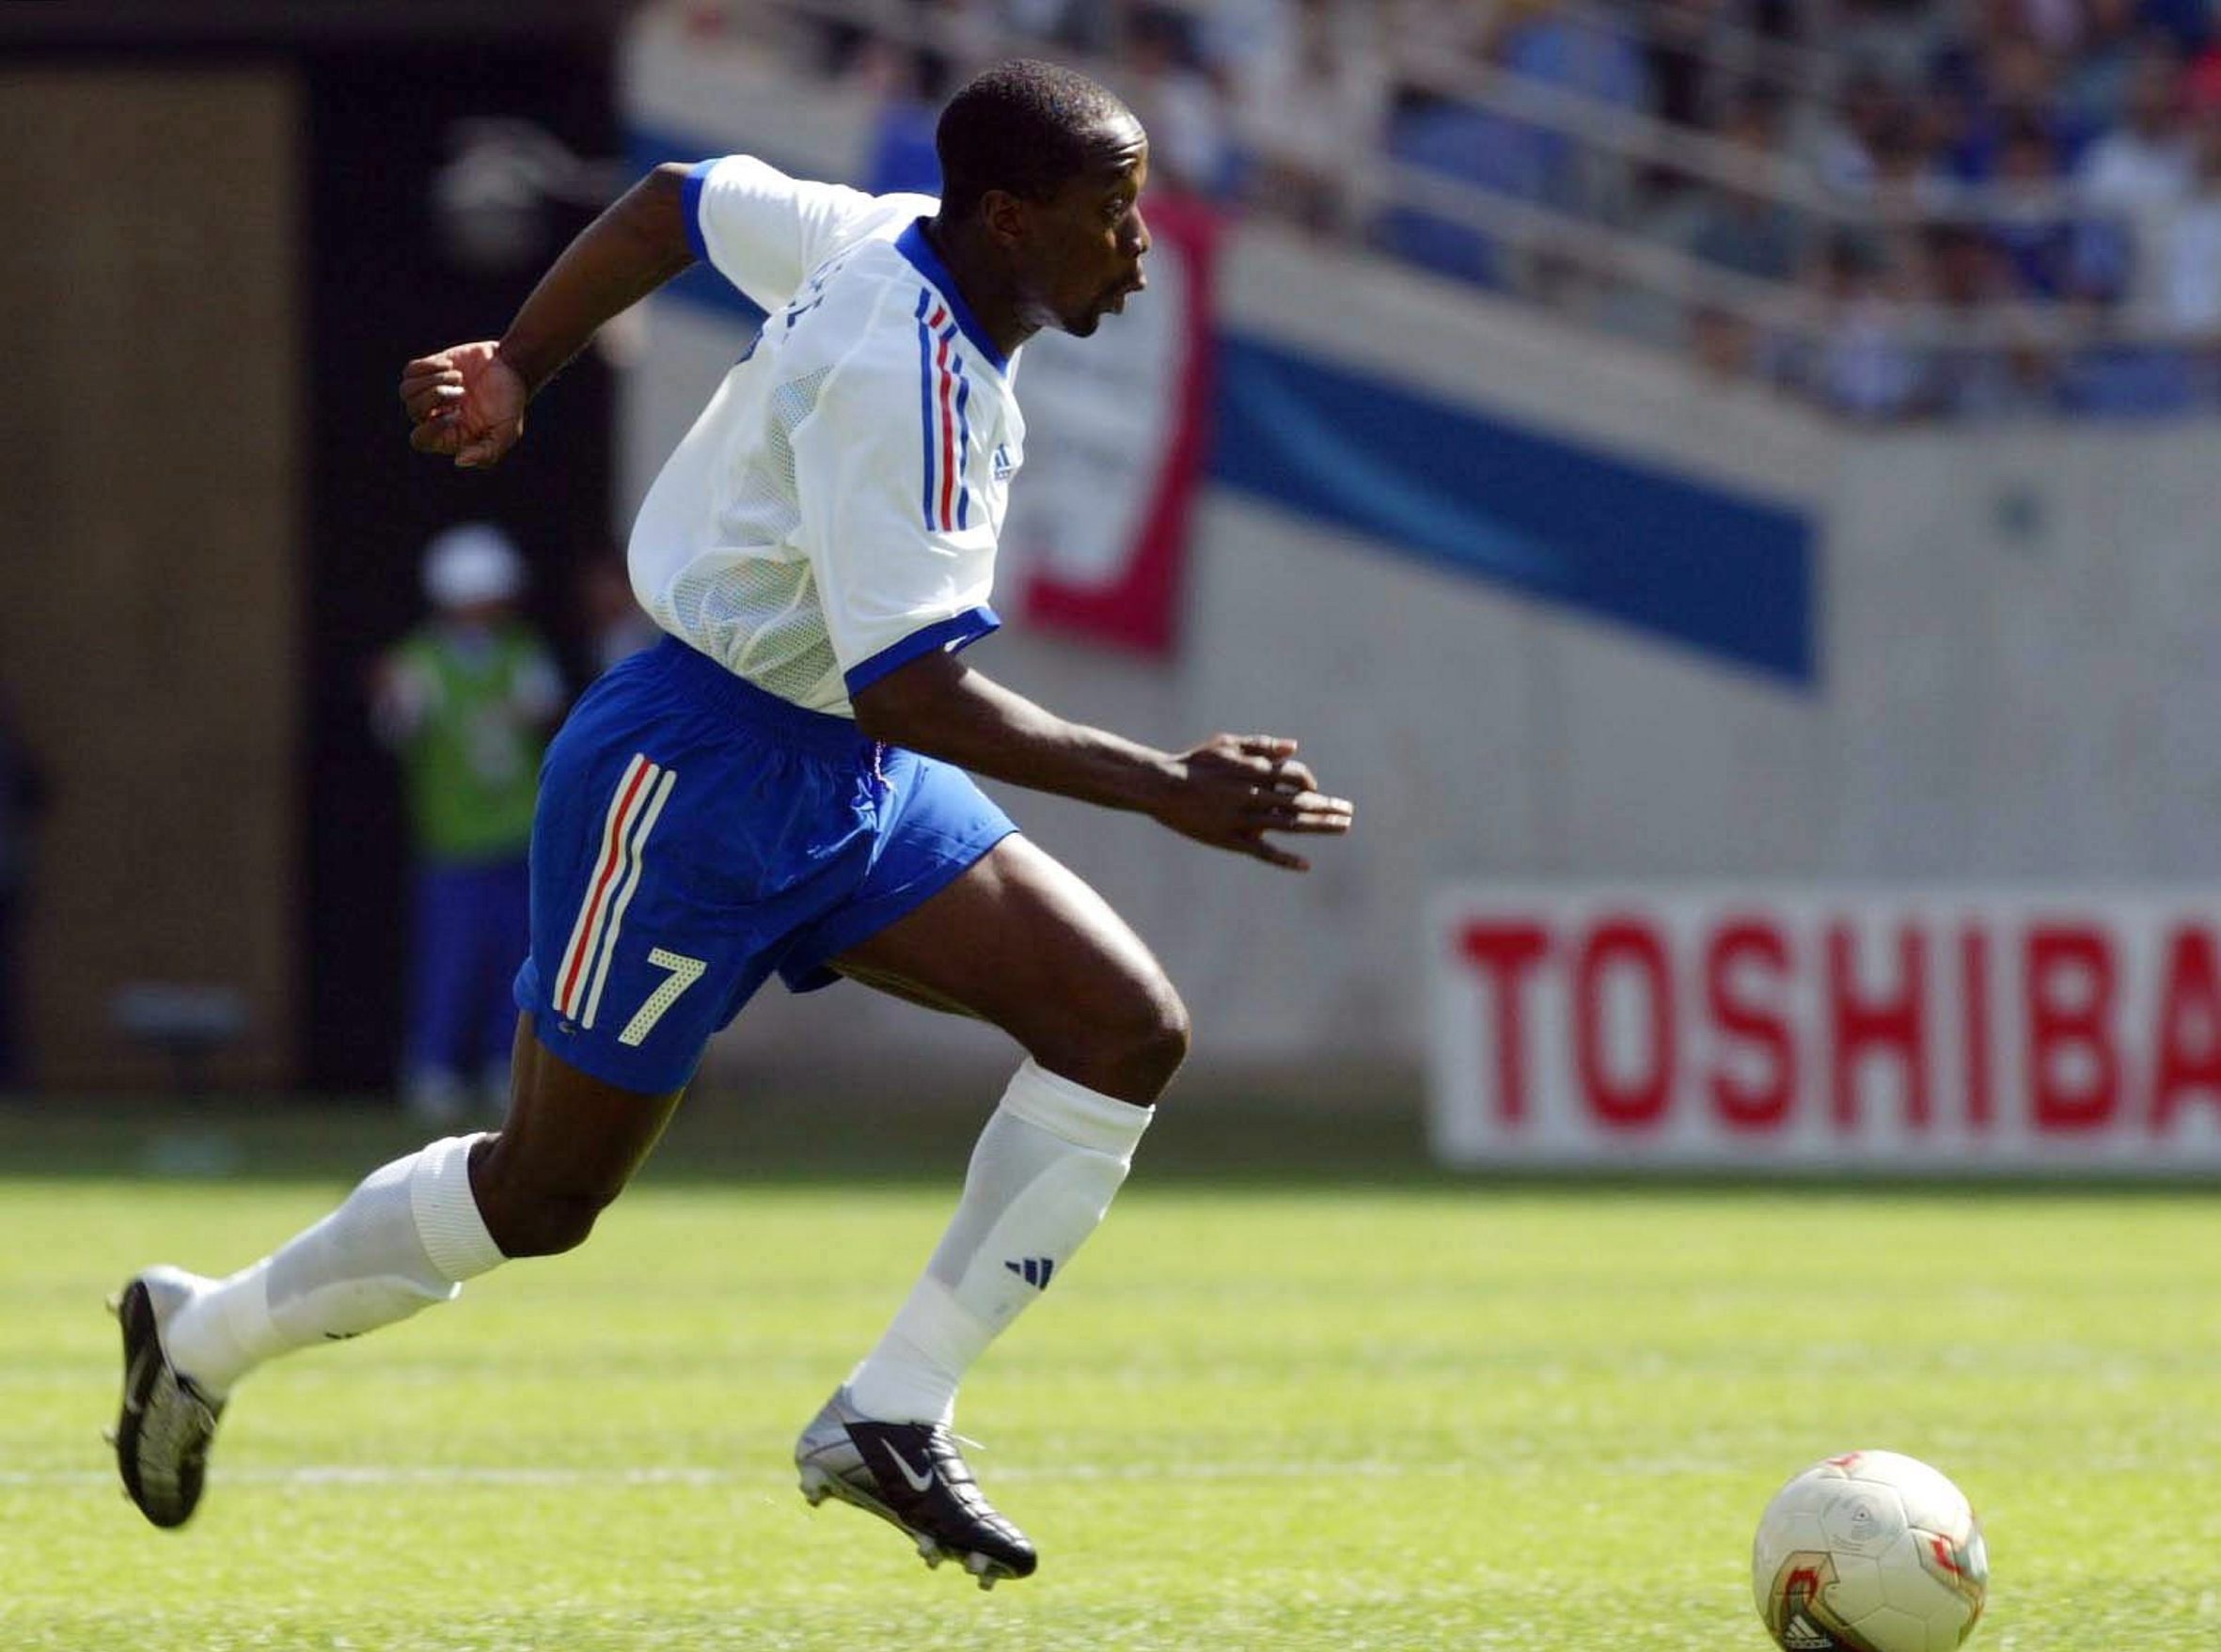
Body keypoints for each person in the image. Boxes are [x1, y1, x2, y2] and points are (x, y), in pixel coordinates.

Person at [108, 58, 1352, 1590]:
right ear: (1014, 219)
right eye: (1113, 212)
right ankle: (202, 1332)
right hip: (694, 770)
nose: (1140, 244)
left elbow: (670, 208)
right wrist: (1166, 786)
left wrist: (514, 362)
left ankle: (890, 1411)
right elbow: (917, 694)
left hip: (837, 761)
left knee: (1120, 1027)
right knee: (544, 1197)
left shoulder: (887, 229)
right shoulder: (910, 379)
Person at [371, 524, 566, 1122]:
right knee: (450, 961)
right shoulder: (417, 663)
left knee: (518, 961)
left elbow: (547, 707)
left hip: (518, 838)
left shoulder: (520, 652)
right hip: (452, 844)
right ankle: (434, 1069)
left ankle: (502, 1068)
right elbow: (394, 728)